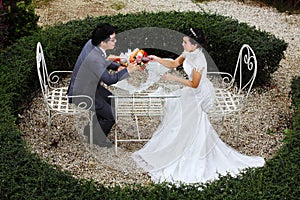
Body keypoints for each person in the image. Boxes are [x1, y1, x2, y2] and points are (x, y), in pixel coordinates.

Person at [132, 28, 265, 184]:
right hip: (193, 90)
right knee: (174, 106)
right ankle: (174, 144)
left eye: (185, 42)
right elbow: (175, 63)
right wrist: (157, 59)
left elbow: (194, 84)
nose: (182, 44)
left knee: (182, 114)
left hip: (200, 94)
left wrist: (173, 78)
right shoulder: (188, 53)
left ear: (194, 46)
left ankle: (183, 147)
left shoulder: (199, 59)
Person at [68, 23, 140, 147]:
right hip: (81, 93)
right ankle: (97, 139)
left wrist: (120, 66)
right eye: (112, 40)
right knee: (111, 115)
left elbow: (102, 62)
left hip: (89, 86)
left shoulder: (92, 44)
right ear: (103, 42)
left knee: (111, 99)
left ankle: (90, 130)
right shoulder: (94, 57)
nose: (115, 41)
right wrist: (128, 71)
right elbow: (109, 80)